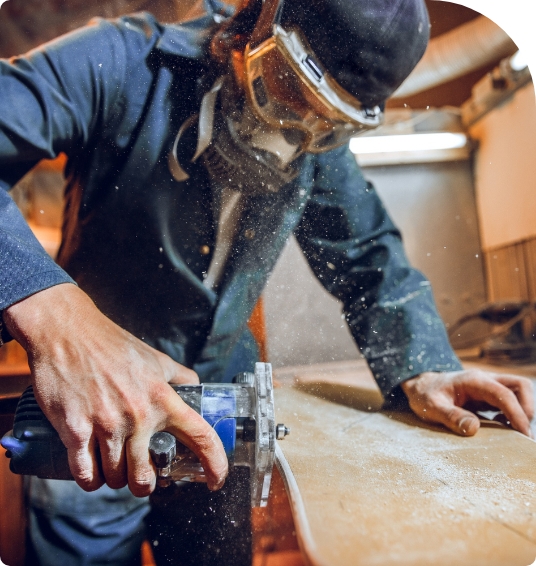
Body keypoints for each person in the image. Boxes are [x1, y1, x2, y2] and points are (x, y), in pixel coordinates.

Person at [0, 0, 533, 564]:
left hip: (226, 420)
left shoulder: (313, 143)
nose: (290, 130)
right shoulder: (122, 63)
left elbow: (368, 258)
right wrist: (57, 319)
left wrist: (425, 366)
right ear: (257, 23)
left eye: (327, 125)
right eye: (287, 83)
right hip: (96, 408)